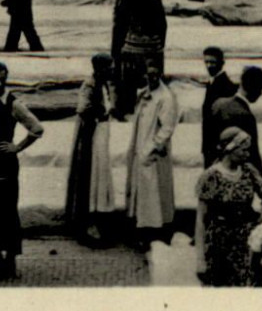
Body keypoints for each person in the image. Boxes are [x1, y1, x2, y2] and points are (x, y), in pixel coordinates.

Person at [0, 61, 44, 279]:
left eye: (3, 78)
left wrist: (16, 147)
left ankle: (9, 261)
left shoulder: (13, 103)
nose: (0, 83)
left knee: (5, 210)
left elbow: (37, 128)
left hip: (3, 163)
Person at [195, 126, 262, 286]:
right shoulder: (210, 177)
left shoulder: (249, 171)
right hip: (219, 243)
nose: (247, 154)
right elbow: (200, 220)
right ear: (229, 149)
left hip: (245, 242)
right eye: (243, 150)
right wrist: (200, 259)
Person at [124, 59, 179, 249]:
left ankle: (152, 232)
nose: (152, 78)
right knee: (143, 193)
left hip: (153, 154)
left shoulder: (166, 98)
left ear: (161, 75)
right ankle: (140, 229)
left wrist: (152, 148)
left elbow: (167, 128)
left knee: (154, 193)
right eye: (149, 74)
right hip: (140, 149)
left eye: (155, 74)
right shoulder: (146, 94)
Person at [64, 53, 115, 244]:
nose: (112, 70)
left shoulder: (103, 85)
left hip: (101, 137)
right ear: (99, 68)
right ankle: (87, 225)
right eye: (109, 67)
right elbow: (83, 109)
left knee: (99, 180)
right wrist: (99, 113)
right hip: (92, 140)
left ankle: (98, 222)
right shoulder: (90, 85)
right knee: (90, 180)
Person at [209, 65, 262, 174]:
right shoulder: (246, 116)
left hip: (216, 168)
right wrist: (261, 180)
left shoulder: (218, 104)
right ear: (255, 88)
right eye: (261, 88)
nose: (261, 93)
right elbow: (252, 155)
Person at [200, 46, 239, 167]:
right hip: (210, 144)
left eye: (213, 62)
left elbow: (227, 119)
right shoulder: (213, 82)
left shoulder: (226, 87)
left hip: (218, 145)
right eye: (206, 62)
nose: (209, 66)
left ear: (222, 63)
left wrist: (221, 144)